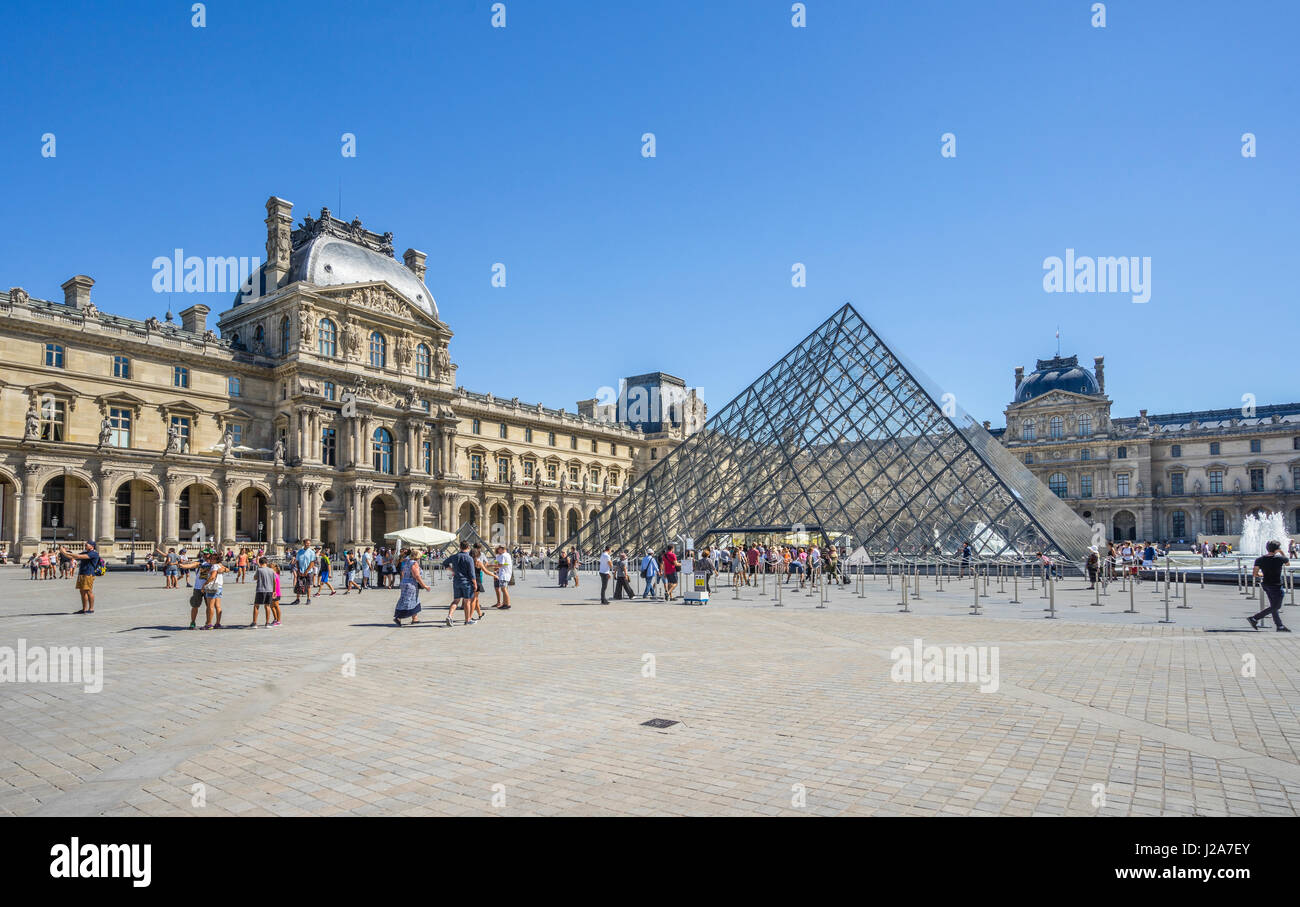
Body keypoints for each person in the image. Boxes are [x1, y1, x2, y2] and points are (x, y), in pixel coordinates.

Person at [1248, 540, 1291, 632]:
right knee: (1276, 606)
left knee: (1273, 606)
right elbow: (1288, 564)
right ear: (1277, 549)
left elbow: (1255, 574)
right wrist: (1281, 552)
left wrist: (1263, 575)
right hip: (1276, 585)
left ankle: (1280, 626)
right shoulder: (1280, 559)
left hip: (1266, 584)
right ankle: (1254, 618)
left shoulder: (1259, 559)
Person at [59, 541, 104, 614]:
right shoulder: (85, 552)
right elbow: (72, 556)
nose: (86, 544)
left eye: (88, 544)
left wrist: (64, 552)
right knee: (82, 591)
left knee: (88, 591)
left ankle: (91, 609)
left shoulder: (94, 553)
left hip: (89, 574)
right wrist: (63, 552)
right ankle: (84, 609)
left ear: (92, 546)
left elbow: (78, 557)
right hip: (82, 573)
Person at [443, 541, 477, 627]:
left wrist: (452, 570)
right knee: (467, 601)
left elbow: (444, 563)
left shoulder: (454, 556)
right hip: (466, 582)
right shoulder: (469, 558)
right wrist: (475, 584)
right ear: (468, 547)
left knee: (456, 600)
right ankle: (467, 620)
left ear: (460, 547)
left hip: (457, 581)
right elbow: (472, 574)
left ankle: (449, 616)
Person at [394, 548, 431, 626]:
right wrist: (424, 586)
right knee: (408, 600)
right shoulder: (414, 563)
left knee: (413, 599)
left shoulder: (406, 561)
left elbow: (403, 572)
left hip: (404, 582)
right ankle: (398, 617)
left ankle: (415, 618)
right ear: (417, 556)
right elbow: (416, 576)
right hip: (411, 584)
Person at [252, 556, 279, 627]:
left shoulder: (259, 570)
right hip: (269, 590)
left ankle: (254, 623)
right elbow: (274, 582)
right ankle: (267, 623)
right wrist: (274, 591)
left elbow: (255, 578)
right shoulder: (271, 570)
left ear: (260, 563)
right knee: (267, 606)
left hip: (260, 590)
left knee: (256, 606)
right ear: (266, 562)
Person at [290, 538, 317, 606]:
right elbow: (297, 561)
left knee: (308, 586)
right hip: (300, 571)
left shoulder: (311, 552)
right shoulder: (300, 551)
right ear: (304, 544)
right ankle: (297, 599)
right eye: (307, 543)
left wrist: (307, 571)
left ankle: (308, 599)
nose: (308, 544)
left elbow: (312, 562)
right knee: (299, 585)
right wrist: (298, 570)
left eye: (309, 543)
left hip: (309, 571)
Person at [492, 545, 513, 609]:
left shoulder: (503, 555)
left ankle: (508, 603)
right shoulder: (507, 555)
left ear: (502, 549)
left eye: (498, 549)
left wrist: (490, 566)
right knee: (503, 589)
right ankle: (504, 603)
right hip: (505, 574)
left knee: (504, 589)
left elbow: (500, 565)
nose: (498, 550)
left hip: (504, 574)